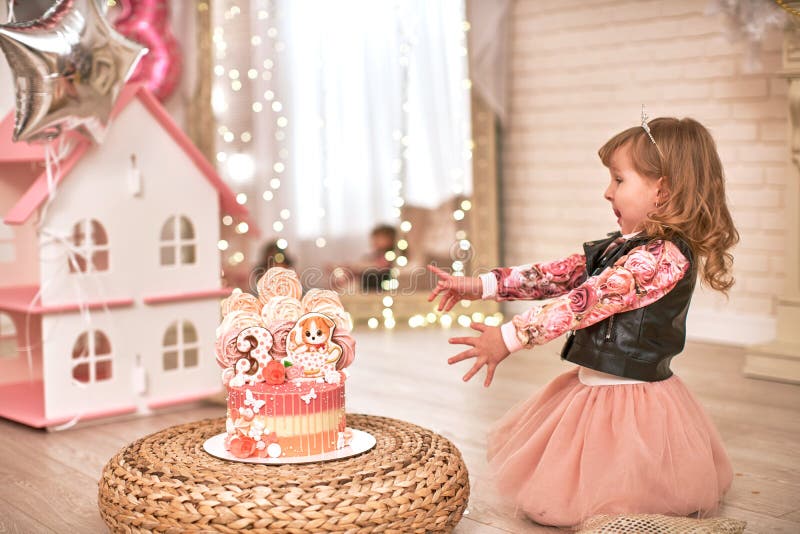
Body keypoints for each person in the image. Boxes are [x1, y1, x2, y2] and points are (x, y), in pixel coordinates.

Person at [428, 113, 738, 527]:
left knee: (618, 489)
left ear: (662, 191)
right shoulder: (622, 247)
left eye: (619, 180)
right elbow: (554, 274)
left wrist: (509, 337)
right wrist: (483, 285)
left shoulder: (657, 259)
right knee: (562, 485)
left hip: (631, 394)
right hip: (596, 384)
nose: (607, 192)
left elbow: (584, 301)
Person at [331, 224, 397, 291]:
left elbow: (379, 266)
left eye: (379, 238)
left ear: (391, 239)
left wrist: (356, 267)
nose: (375, 241)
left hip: (380, 285)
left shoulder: (391, 256)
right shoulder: (371, 256)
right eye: (374, 238)